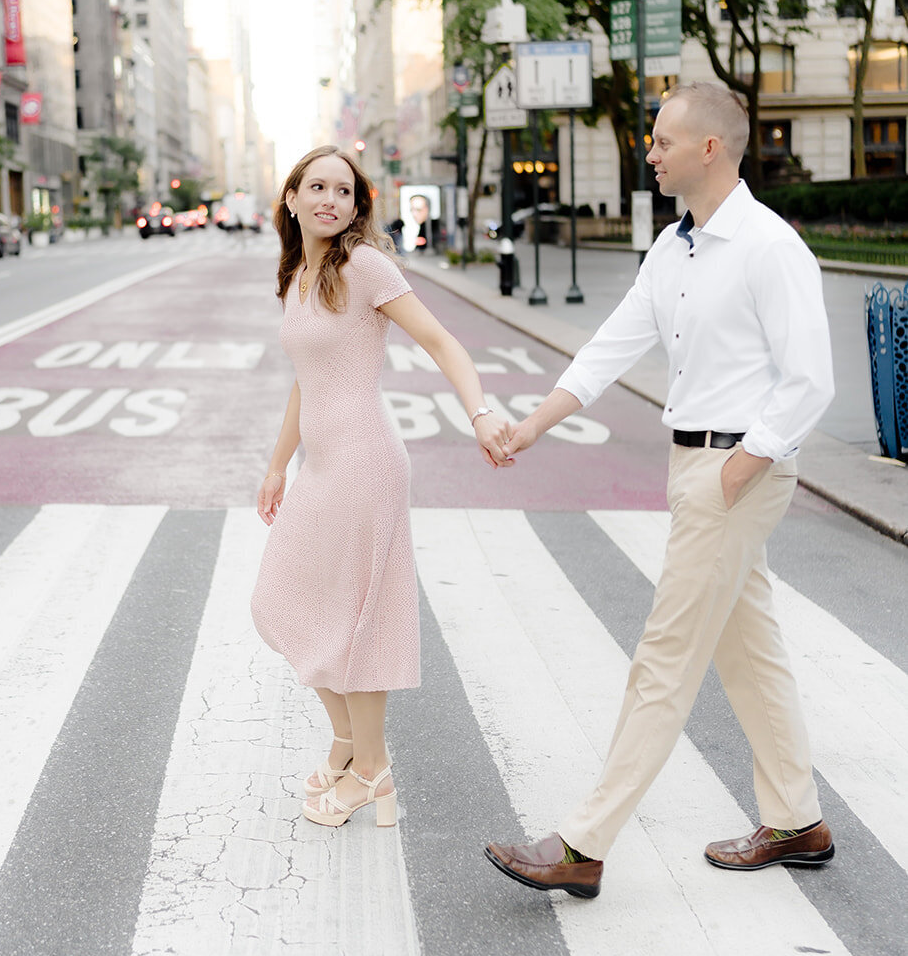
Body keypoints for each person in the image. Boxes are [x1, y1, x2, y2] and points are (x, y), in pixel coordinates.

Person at [485, 82, 836, 900]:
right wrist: (532, 425)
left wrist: (744, 463)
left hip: (733, 471)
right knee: (749, 654)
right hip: (696, 467)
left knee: (662, 660)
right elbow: (612, 346)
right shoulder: (674, 248)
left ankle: (582, 841)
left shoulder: (766, 245)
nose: (649, 152)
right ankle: (797, 820)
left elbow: (807, 379)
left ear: (708, 148)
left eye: (661, 141)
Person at [251, 144, 513, 829]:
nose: (328, 200)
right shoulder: (298, 274)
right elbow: (304, 384)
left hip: (366, 463)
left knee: (355, 622)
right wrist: (279, 464)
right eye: (316, 187)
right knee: (280, 600)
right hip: (322, 465)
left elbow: (441, 342)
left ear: (357, 205)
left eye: (343, 191)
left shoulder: (364, 266)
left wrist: (479, 412)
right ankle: (351, 749)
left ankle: (370, 772)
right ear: (292, 198)